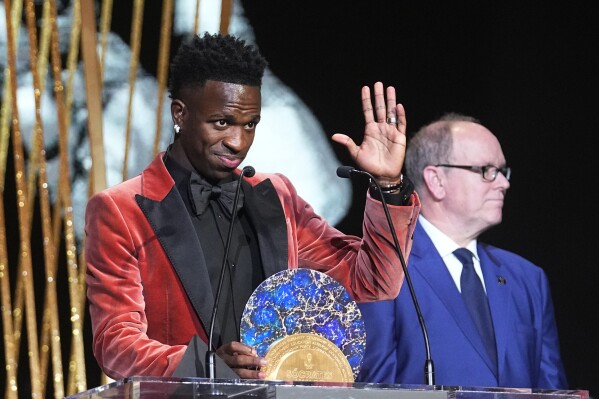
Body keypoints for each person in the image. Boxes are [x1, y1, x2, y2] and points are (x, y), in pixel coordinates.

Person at [84, 32, 420, 380]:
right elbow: (116, 344)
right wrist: (207, 366)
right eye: (222, 122)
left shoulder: (275, 195)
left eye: (250, 125)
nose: (237, 142)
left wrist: (387, 185)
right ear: (180, 114)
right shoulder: (120, 211)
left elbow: (374, 280)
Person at [356, 113, 568, 388]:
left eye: (503, 172)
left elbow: (553, 389)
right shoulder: (382, 269)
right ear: (436, 181)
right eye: (486, 171)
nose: (503, 183)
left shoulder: (528, 278)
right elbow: (374, 390)